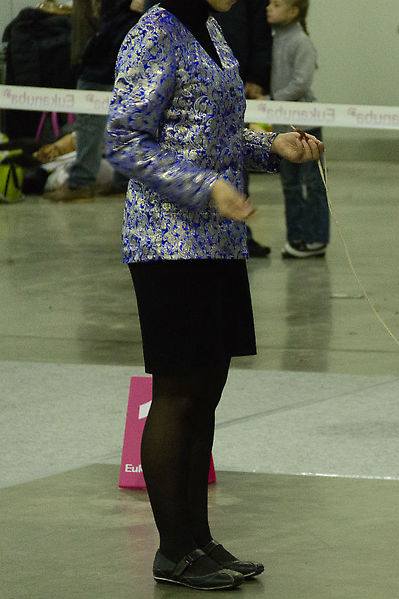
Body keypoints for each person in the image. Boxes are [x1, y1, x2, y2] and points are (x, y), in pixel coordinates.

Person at [105, 0, 323, 590]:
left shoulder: (211, 30)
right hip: (169, 243)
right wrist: (207, 188)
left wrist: (271, 146)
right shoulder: (154, 32)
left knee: (206, 390)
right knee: (177, 394)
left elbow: (216, 134)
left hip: (220, 239)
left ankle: (198, 540)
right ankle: (172, 550)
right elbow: (124, 142)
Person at [249, 0, 330, 259]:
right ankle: (296, 238)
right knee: (290, 186)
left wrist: (272, 100)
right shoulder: (274, 41)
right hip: (284, 128)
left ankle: (316, 238)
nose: (268, 7)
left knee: (312, 184)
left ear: (294, 11)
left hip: (305, 126)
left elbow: (301, 82)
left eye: (277, 3)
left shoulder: (301, 42)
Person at [44, 0, 143, 203]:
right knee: (124, 122)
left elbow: (127, 14)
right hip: (112, 53)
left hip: (106, 58)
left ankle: (81, 182)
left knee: (91, 122)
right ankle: (122, 181)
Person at [212, 0, 274, 258]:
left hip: (239, 83)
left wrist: (258, 77)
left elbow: (260, 34)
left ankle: (239, 234)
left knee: (235, 164)